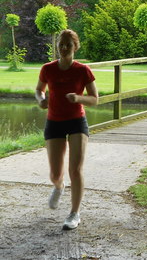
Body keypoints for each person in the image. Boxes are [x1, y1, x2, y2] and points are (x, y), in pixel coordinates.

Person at [35, 29, 98, 230]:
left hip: (76, 121)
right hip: (54, 121)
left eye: (68, 45)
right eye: (61, 45)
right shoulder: (47, 69)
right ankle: (58, 186)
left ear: (75, 47)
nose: (63, 48)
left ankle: (74, 213)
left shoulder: (83, 70)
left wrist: (78, 98)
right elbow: (39, 89)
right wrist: (41, 100)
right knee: (55, 173)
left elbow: (95, 99)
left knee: (75, 169)